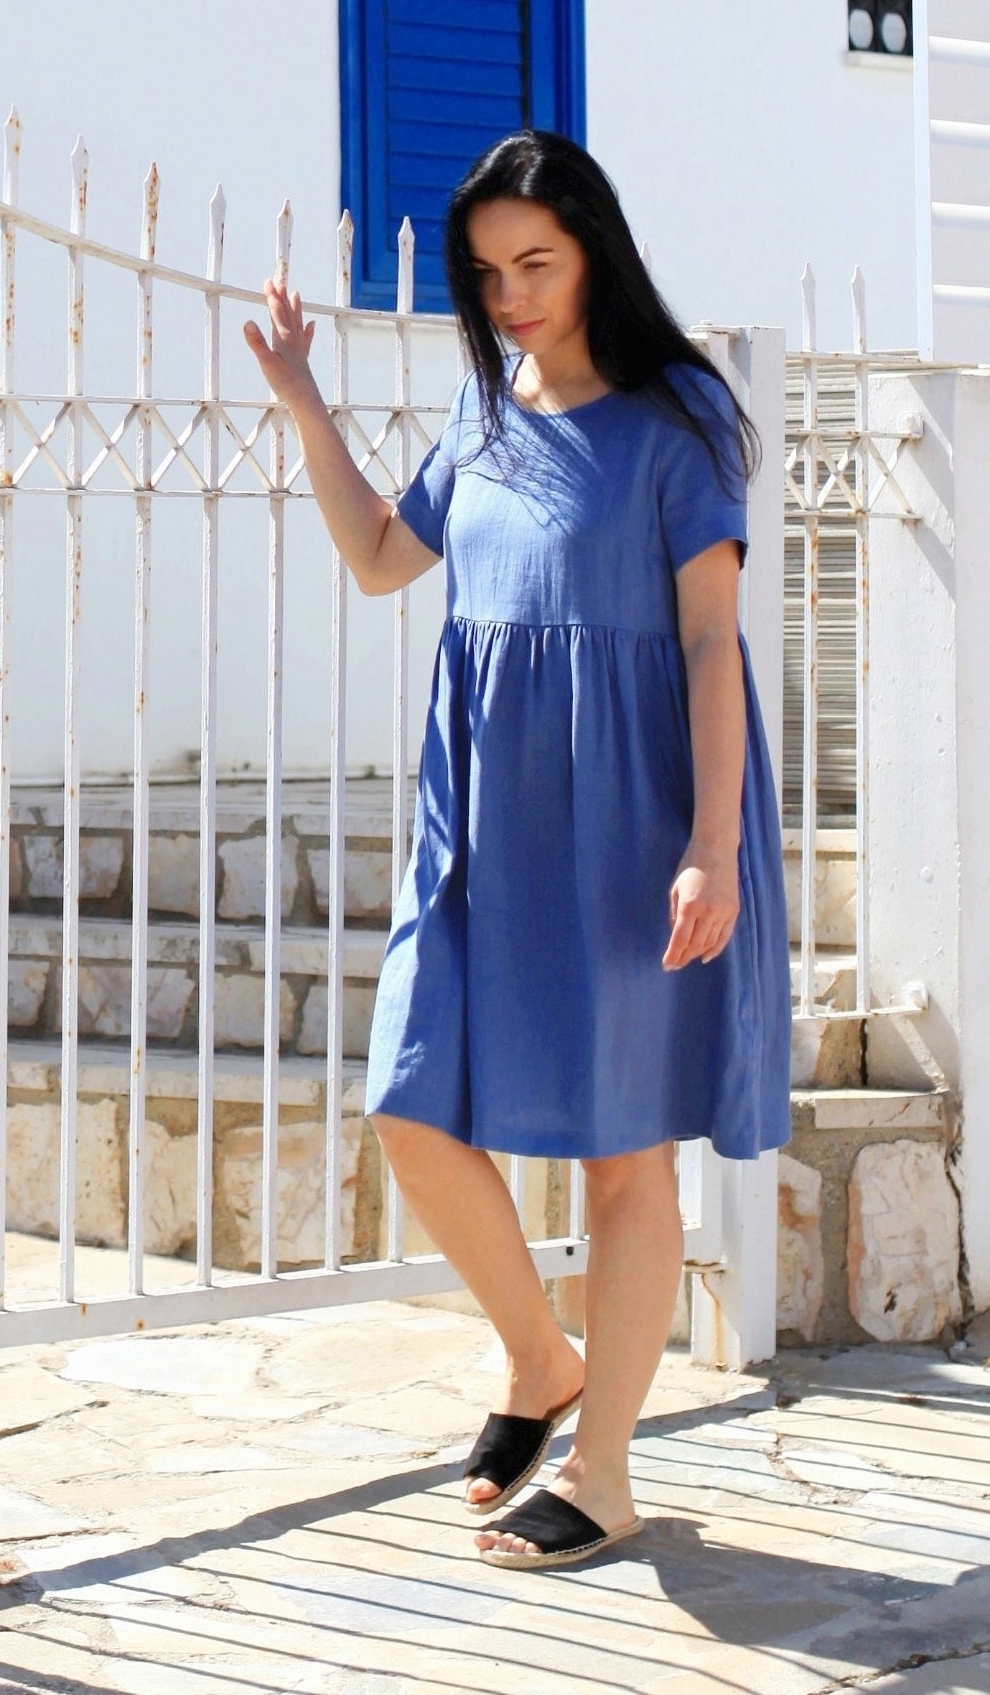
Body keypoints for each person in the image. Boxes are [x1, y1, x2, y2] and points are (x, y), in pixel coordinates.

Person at [243, 128, 791, 1571]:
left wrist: (711, 846)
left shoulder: (677, 420)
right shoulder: (483, 419)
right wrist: (305, 401)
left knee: (625, 1156)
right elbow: (378, 558)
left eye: (533, 264)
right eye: (487, 274)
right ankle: (539, 1361)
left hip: (633, 820)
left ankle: (604, 1466)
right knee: (411, 1105)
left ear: (594, 252)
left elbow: (708, 644)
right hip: (482, 824)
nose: (510, 296)